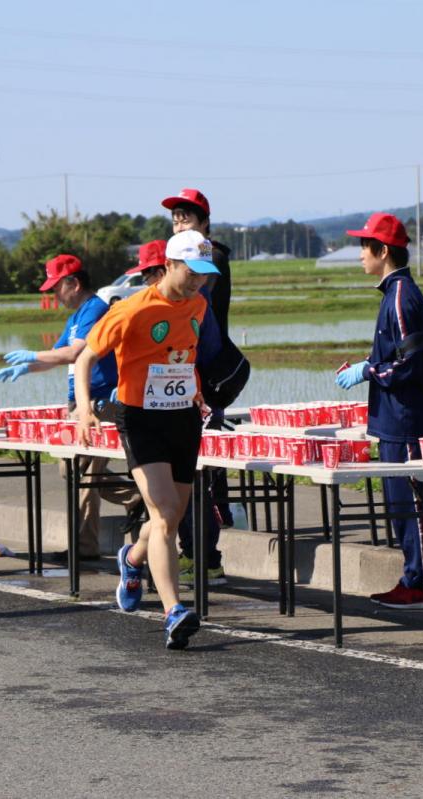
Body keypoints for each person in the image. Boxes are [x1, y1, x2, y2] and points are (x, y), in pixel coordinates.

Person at [74, 229, 219, 650]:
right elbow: (85, 358)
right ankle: (174, 611)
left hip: (183, 419)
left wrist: (195, 389)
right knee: (165, 513)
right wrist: (85, 408)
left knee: (168, 521)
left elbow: (183, 355)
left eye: (203, 274)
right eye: (190, 272)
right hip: (140, 419)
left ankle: (132, 559)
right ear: (170, 265)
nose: (197, 281)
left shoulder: (199, 304)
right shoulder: (132, 309)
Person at [335, 213, 423, 609]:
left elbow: (412, 363)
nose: (360, 256)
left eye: (365, 247)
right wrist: (367, 362)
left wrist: (370, 371)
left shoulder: (401, 297)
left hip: (407, 421)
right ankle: (413, 576)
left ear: (382, 251)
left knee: (412, 507)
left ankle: (421, 582)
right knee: (400, 506)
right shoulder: (394, 294)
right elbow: (397, 352)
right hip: (395, 421)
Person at [0, 254, 136, 558]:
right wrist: (28, 367)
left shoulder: (95, 309)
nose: (55, 296)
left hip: (98, 403)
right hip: (79, 403)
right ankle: (137, 496)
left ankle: (85, 547)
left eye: (57, 288)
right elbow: (57, 354)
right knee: (72, 469)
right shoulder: (76, 317)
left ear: (73, 282)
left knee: (83, 472)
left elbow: (75, 354)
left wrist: (32, 355)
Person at [162, 188, 233, 587]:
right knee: (183, 467)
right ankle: (194, 552)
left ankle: (206, 556)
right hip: (182, 372)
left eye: (186, 216)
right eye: (175, 218)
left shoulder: (211, 259)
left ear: (205, 222)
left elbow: (190, 308)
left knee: (199, 469)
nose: (179, 222)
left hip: (203, 373)